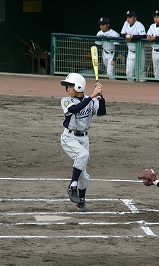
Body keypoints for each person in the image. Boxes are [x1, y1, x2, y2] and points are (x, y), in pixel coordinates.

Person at [60, 73, 106, 212]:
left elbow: (101, 113)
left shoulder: (91, 101)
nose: (67, 89)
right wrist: (92, 95)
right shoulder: (66, 100)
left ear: (78, 86)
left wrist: (101, 97)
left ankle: (81, 201)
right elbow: (75, 109)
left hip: (84, 139)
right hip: (69, 138)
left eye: (70, 86)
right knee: (83, 156)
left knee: (84, 176)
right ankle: (72, 185)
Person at [120, 10, 147, 82]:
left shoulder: (139, 25)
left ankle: (143, 90)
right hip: (130, 52)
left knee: (141, 72)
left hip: (139, 51)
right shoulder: (126, 23)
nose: (128, 19)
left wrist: (133, 37)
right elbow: (121, 34)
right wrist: (126, 36)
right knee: (129, 72)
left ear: (135, 18)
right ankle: (130, 90)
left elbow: (143, 36)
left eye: (130, 17)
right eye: (127, 17)